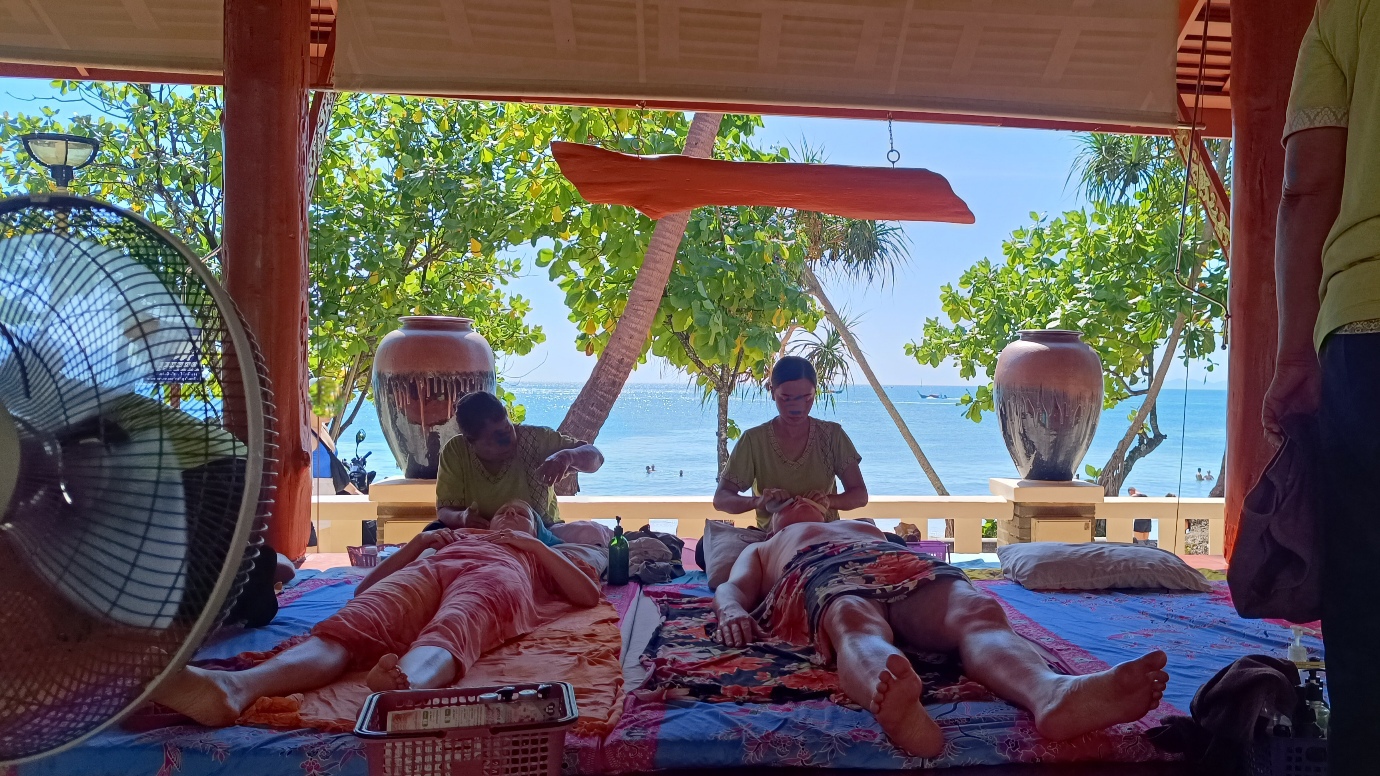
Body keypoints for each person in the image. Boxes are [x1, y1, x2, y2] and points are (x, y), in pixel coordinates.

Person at [714, 499, 1168, 758]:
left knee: (976, 609)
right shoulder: (766, 547)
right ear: (770, 524)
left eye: (803, 498)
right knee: (851, 619)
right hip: (821, 571)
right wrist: (732, 612)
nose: (794, 501)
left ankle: (1051, 693)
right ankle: (892, 697)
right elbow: (731, 590)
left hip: (900, 563)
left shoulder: (861, 525)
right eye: (782, 505)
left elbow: (903, 550)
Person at [151, 501, 601, 726]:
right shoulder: (455, 537)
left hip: (498, 577)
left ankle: (404, 688)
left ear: (538, 527)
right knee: (356, 621)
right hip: (432, 565)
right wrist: (421, 543)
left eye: (519, 514)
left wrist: (534, 546)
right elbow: (364, 587)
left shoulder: (538, 553)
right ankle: (234, 687)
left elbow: (585, 595)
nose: (507, 516)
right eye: (503, 512)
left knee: (458, 622)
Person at [1262, 3, 1380, 771]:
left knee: (1366, 598)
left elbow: (1309, 185)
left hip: (1366, 329)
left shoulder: (1346, 10)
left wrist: (1293, 355)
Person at [425, 391, 604, 546]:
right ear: (471, 441)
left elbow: (597, 458)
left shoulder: (537, 439)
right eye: (496, 438)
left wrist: (566, 457)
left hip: (542, 535)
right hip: (480, 537)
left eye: (507, 429)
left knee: (591, 533)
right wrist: (462, 518)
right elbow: (445, 510)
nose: (508, 441)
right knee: (429, 539)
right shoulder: (456, 451)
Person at [713, 356, 868, 530]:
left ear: (815, 393)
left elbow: (860, 495)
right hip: (774, 540)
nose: (797, 407)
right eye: (786, 398)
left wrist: (828, 500)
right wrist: (758, 501)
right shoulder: (754, 441)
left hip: (825, 539)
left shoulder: (832, 435)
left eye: (806, 398)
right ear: (772, 392)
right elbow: (721, 499)